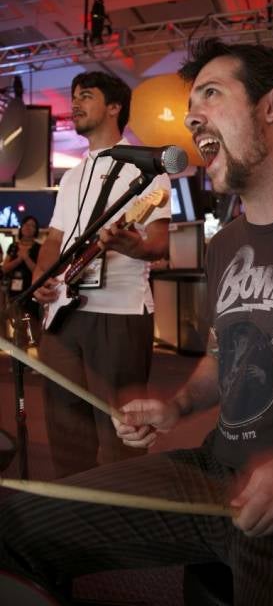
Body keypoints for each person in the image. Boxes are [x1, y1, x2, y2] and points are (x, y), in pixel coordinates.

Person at [1, 38, 273, 606]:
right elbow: (225, 357)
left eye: (211, 94)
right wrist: (177, 405)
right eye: (189, 106)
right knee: (14, 525)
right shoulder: (226, 244)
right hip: (213, 470)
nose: (190, 117)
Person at [31, 71, 171, 477]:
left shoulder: (147, 170)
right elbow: (54, 240)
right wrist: (42, 281)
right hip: (62, 315)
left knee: (121, 434)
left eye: (86, 96)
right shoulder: (71, 176)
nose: (75, 103)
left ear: (114, 107)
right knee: (65, 430)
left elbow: (158, 244)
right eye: (74, 96)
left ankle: (120, 511)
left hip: (119, 314)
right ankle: (74, 507)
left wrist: (130, 245)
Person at [2, 215, 42, 344]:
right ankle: (19, 351)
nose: (28, 227)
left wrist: (26, 258)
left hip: (32, 292)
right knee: (17, 325)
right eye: (26, 224)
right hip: (14, 293)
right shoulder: (13, 246)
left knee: (33, 325)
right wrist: (19, 259)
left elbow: (39, 271)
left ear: (36, 230)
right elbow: (4, 268)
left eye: (32, 225)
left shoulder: (39, 248)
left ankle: (35, 349)